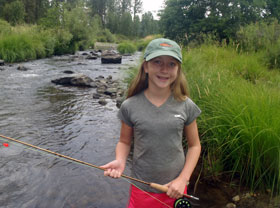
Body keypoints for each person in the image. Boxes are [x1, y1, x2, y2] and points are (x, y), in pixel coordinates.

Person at [101, 38, 201, 208]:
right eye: (157, 62)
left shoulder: (186, 105)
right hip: (142, 189)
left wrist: (183, 179)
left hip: (176, 189)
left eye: (172, 64)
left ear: (178, 70)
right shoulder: (130, 106)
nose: (164, 69)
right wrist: (120, 160)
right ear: (146, 66)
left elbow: (195, 146)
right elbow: (125, 142)